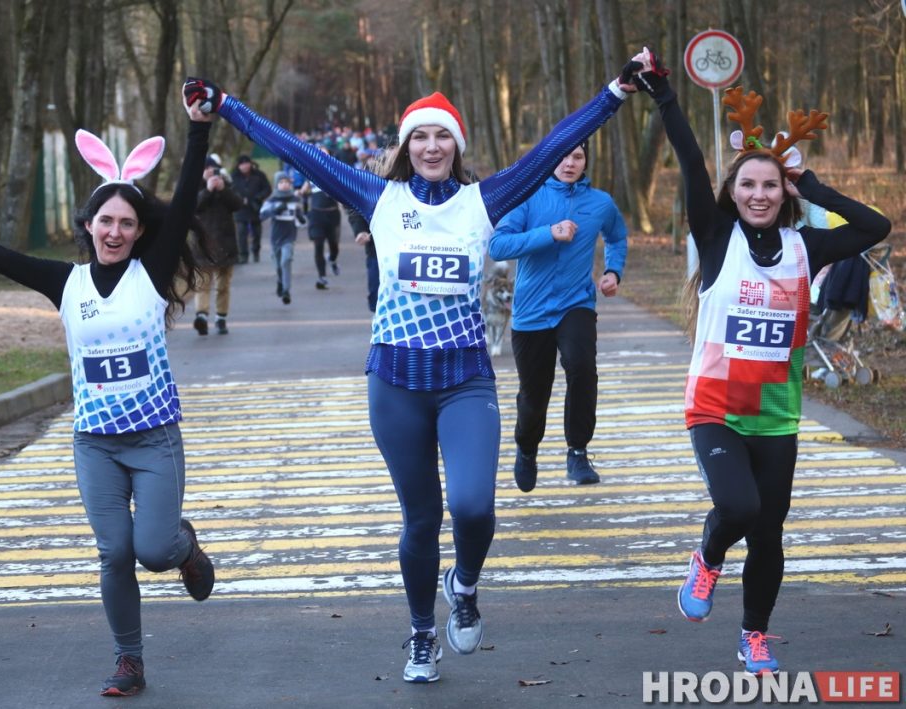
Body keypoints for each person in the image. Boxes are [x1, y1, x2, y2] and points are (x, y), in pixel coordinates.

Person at [211, 60, 636, 682]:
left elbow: (549, 148)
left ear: (456, 147)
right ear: (406, 147)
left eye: (443, 137)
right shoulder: (377, 197)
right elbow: (294, 152)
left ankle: (462, 586)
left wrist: (614, 93)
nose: (431, 146)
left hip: (464, 381)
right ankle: (419, 635)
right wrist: (226, 105)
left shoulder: (482, 200)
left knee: (473, 509)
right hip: (395, 384)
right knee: (421, 519)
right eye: (420, 136)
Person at [0, 81, 223, 697]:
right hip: (94, 444)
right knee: (114, 554)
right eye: (106, 220)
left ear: (139, 231)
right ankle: (129, 660)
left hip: (153, 441)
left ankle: (185, 548)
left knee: (151, 548)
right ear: (89, 225)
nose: (116, 231)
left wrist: (198, 126)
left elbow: (180, 202)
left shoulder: (149, 274)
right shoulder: (62, 283)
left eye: (127, 222)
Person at [630, 50, 890, 674]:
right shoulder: (718, 239)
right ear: (732, 192)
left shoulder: (807, 247)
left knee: (770, 535)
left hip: (777, 413)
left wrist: (813, 187)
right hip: (716, 407)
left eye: (770, 184)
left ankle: (754, 635)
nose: (758, 194)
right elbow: (692, 161)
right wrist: (664, 94)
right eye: (747, 183)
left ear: (783, 192)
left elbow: (875, 226)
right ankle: (709, 555)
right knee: (739, 510)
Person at [489, 141, 628, 490]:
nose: (570, 163)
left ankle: (578, 451)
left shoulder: (600, 203)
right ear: (551, 160)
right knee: (535, 394)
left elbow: (617, 236)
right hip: (531, 311)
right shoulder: (528, 197)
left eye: (578, 157)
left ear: (586, 162)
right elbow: (498, 245)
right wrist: (549, 233)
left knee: (581, 367)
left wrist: (613, 271)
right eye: (563, 156)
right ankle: (526, 448)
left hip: (576, 304)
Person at [192, 157, 244, 335]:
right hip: (203, 243)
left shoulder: (226, 185)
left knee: (223, 285)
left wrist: (222, 190)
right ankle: (202, 316)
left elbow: (238, 205)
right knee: (202, 283)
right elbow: (192, 207)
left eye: (214, 169)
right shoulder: (194, 186)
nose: (210, 173)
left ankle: (221, 318)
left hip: (226, 243)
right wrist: (207, 190)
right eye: (207, 169)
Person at [259, 171, 305, 305]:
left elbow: (301, 219)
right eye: (281, 183)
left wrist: (301, 218)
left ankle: (286, 291)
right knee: (278, 265)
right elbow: (262, 215)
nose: (284, 185)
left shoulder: (295, 199)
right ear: (276, 185)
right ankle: (280, 281)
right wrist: (276, 210)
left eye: (286, 182)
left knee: (286, 260)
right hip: (275, 238)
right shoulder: (272, 200)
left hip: (289, 237)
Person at [301, 155, 342, 290]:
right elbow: (303, 191)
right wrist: (303, 198)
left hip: (332, 214)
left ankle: (332, 259)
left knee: (334, 245)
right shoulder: (311, 175)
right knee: (318, 245)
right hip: (317, 215)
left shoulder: (335, 176)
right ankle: (322, 276)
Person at [230, 154, 271, 263]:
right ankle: (243, 255)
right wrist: (239, 199)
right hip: (240, 209)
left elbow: (267, 189)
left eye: (246, 163)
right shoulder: (234, 176)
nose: (245, 166)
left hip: (255, 207)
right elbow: (230, 191)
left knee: (257, 232)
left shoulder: (259, 175)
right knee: (241, 233)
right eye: (242, 164)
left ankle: (256, 251)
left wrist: (259, 197)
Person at [347, 206, 379, 312]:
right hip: (377, 250)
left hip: (413, 251)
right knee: (376, 296)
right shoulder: (373, 189)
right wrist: (360, 230)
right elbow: (355, 208)